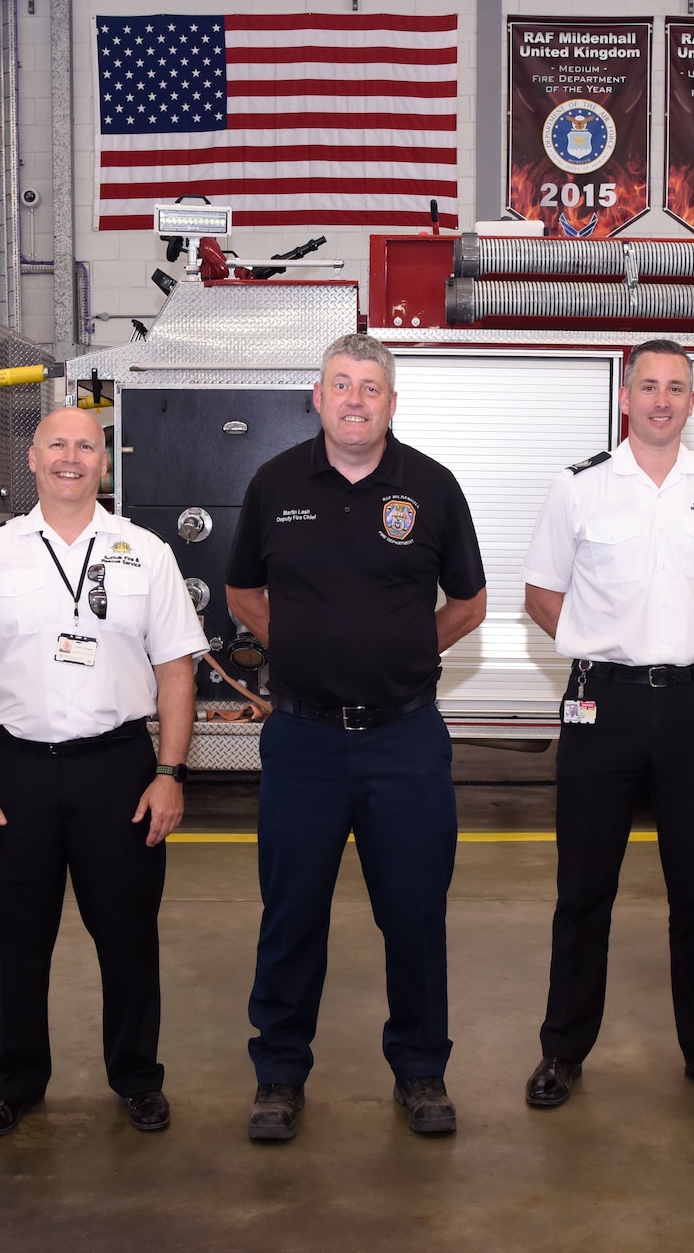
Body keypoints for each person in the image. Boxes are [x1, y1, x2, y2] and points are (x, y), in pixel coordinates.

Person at [225, 333, 487, 1140]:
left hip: (404, 741)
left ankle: (421, 1071)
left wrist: (403, 653)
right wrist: (303, 646)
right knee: (292, 912)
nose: (354, 400)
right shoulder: (274, 484)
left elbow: (469, 603)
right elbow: (242, 591)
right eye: (341, 384)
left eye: (370, 387)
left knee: (413, 914)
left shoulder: (433, 488)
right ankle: (278, 1074)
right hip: (302, 741)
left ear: (391, 403)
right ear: (318, 396)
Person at [519, 338, 694, 1114]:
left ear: (692, 402)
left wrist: (681, 650)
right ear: (625, 397)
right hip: (604, 707)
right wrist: (605, 647)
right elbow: (541, 592)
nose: (662, 399)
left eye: (677, 387)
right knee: (583, 888)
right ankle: (562, 1050)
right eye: (649, 386)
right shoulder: (581, 488)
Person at [0, 407, 208, 1138]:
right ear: (31, 458)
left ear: (104, 462)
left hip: (117, 770)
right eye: (56, 443)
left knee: (127, 936)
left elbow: (176, 668)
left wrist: (170, 771)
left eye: (86, 445)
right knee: (16, 938)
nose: (70, 456)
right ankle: (16, 1082)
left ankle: (136, 1077)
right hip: (16, 772)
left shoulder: (145, 553)